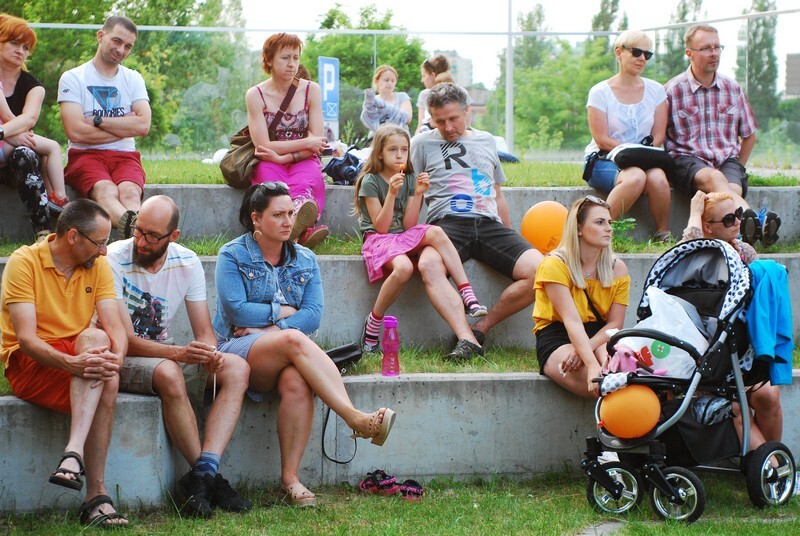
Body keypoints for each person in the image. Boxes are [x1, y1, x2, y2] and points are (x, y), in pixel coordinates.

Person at [213, 183, 396, 507]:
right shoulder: (233, 255)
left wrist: (270, 327)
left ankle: (290, 480)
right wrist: (283, 313)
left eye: (290, 213)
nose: (288, 221)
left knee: (297, 380)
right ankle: (353, 418)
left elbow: (312, 316)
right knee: (294, 338)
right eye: (278, 215)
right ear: (256, 218)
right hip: (235, 351)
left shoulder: (306, 259)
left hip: (284, 353)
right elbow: (237, 311)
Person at [106, 195, 252, 518]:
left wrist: (209, 354)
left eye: (151, 236)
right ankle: (209, 480)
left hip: (165, 353)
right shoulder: (113, 258)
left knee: (237, 368)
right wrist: (179, 354)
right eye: (138, 230)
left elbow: (205, 332)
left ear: (173, 236)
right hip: (121, 355)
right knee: (170, 372)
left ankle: (203, 476)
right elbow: (125, 340)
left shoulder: (187, 261)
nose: (140, 241)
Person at [0, 199, 129, 528]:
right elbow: (26, 340)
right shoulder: (23, 262)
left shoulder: (97, 265)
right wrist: (73, 364)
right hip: (31, 363)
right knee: (104, 375)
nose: (104, 251)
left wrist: (116, 359)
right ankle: (96, 495)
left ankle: (73, 455)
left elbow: (115, 328)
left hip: (80, 354)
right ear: (73, 236)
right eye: (99, 242)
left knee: (99, 345)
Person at [410, 83, 543, 361]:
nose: (447, 127)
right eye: (439, 121)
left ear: (467, 111)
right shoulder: (421, 144)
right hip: (447, 224)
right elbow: (413, 194)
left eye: (453, 118)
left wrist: (509, 236)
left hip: (488, 223)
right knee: (428, 264)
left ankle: (480, 328)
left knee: (541, 271)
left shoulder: (487, 141)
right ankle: (466, 339)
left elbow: (498, 194)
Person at [354, 124, 486, 353]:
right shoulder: (370, 181)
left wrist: (418, 193)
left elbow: (409, 225)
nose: (399, 155)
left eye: (404, 150)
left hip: (401, 236)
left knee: (435, 231)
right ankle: (374, 321)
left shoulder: (409, 178)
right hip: (379, 239)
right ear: (379, 154)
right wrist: (392, 194)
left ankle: (467, 293)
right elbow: (382, 228)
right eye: (392, 150)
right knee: (403, 268)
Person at [681, 191, 786, 453]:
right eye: (728, 219)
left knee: (769, 395)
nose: (737, 222)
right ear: (707, 227)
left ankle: (770, 459)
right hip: (707, 355)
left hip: (739, 350)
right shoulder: (698, 257)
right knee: (737, 405)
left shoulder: (744, 251)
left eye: (738, 214)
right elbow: (684, 251)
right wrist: (694, 213)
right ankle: (771, 468)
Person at [665, 24, 780, 246]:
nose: (714, 53)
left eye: (717, 47)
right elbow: (659, 136)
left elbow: (749, 135)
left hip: (726, 159)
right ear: (689, 53)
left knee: (732, 188)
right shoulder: (672, 90)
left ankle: (739, 235)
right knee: (716, 179)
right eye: (706, 48)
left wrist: (737, 167)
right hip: (687, 160)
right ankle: (757, 221)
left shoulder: (732, 88)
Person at [58, 15, 151, 240]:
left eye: (128, 46)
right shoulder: (73, 78)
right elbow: (75, 132)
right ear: (100, 36)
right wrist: (125, 125)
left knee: (130, 192)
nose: (121, 50)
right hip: (85, 155)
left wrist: (98, 121)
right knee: (106, 190)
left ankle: (138, 232)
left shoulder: (133, 79)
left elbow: (143, 125)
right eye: (117, 41)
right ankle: (143, 234)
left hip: (125, 156)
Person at [533, 196, 630, 398]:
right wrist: (591, 363)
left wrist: (586, 348)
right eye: (599, 222)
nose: (609, 229)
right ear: (579, 228)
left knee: (620, 375)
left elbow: (615, 323)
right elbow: (572, 320)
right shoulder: (555, 264)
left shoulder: (617, 268)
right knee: (603, 385)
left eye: (609, 222)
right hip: (559, 334)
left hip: (600, 335)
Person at [584, 30, 672, 242]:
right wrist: (629, 153)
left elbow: (658, 135)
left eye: (647, 54)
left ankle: (663, 234)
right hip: (604, 158)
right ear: (618, 53)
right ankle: (600, 232)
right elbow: (601, 139)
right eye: (636, 52)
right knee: (636, 177)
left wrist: (638, 155)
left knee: (658, 178)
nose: (642, 58)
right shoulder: (599, 92)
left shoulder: (656, 91)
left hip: (643, 159)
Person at [246, 33, 329, 249]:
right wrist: (305, 143)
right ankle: (298, 232)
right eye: (285, 58)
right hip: (269, 160)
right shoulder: (255, 95)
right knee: (271, 188)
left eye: (296, 57)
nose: (292, 64)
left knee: (306, 181)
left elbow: (318, 142)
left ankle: (297, 227)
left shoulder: (312, 90)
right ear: (269, 60)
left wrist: (284, 156)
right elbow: (263, 146)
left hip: (303, 159)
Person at [0, 14, 62, 241]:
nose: (21, 51)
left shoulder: (33, 86)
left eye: (26, 47)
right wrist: (13, 135)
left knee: (26, 153)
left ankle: (43, 234)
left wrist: (5, 134)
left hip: (13, 162)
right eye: (14, 43)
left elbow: (28, 120)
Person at [360, 65, 413, 135]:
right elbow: (368, 119)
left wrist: (385, 108)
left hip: (400, 135)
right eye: (386, 80)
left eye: (393, 81)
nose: (390, 83)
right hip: (377, 136)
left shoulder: (402, 96)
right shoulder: (371, 100)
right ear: (377, 80)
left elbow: (407, 119)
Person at [416, 55, 450, 133]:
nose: (422, 80)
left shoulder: (456, 93)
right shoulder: (424, 94)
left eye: (424, 76)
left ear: (433, 75)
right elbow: (420, 125)